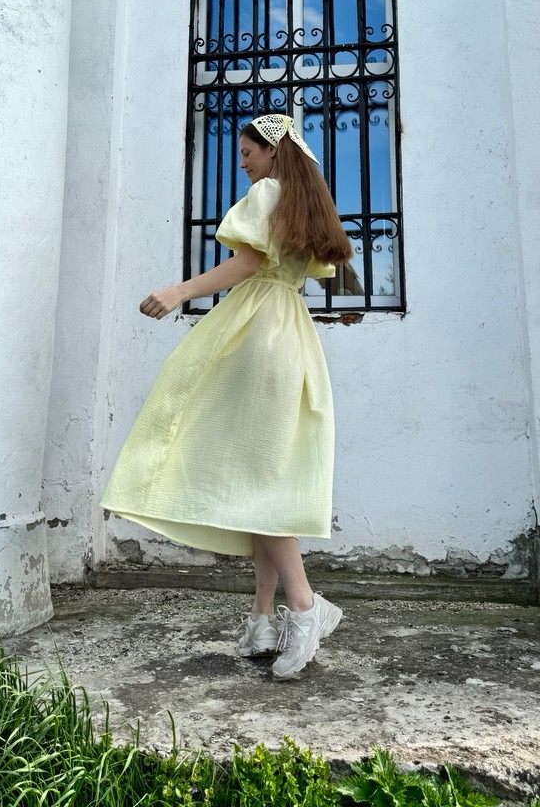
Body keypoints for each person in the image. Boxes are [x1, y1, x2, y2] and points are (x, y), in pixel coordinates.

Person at [101, 113, 353, 679]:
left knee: (259, 479)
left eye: (248, 152)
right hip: (289, 333)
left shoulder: (268, 194)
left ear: (273, 152)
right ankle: (262, 615)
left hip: (259, 333)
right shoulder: (302, 202)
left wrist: (179, 291)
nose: (243, 163)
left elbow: (248, 262)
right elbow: (296, 267)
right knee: (256, 474)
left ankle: (306, 607)